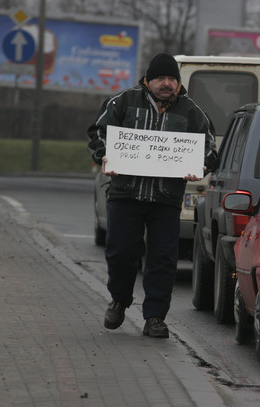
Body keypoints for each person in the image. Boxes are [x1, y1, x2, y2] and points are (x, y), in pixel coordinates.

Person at [87, 53, 217, 338]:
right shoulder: (123, 102)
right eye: (161, 78)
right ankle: (119, 300)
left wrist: (201, 166)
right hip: (125, 193)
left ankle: (155, 317)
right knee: (120, 252)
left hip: (166, 199)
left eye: (172, 79)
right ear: (148, 80)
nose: (166, 84)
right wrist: (105, 155)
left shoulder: (192, 112)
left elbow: (210, 147)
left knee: (163, 259)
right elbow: (97, 132)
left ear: (178, 82)